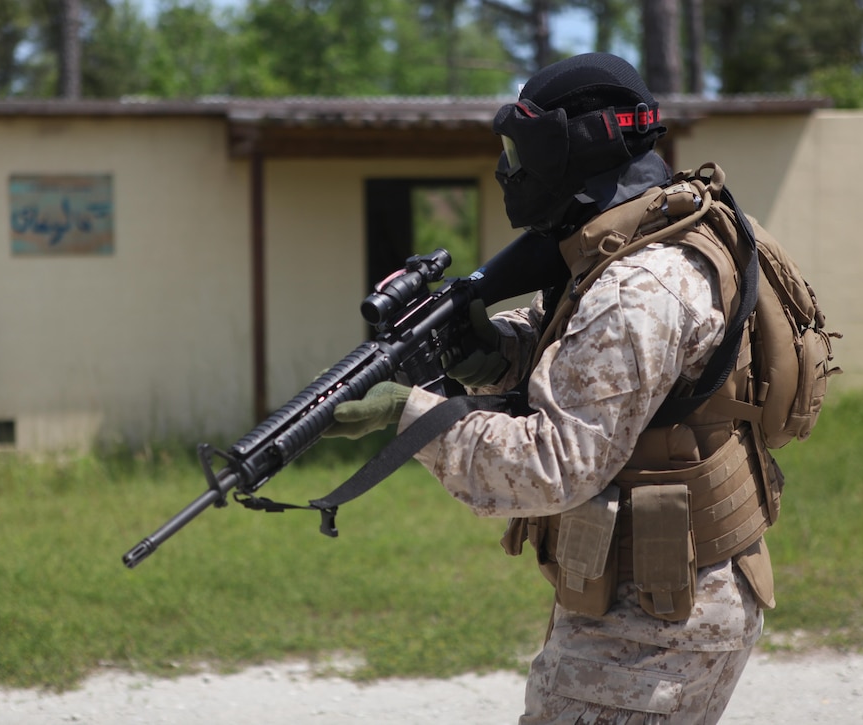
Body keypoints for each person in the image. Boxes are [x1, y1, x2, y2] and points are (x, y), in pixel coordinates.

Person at [325, 52, 781, 724]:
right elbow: (605, 372)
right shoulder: (653, 235)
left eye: (521, 150)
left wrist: (408, 415)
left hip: (654, 627)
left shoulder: (637, 287)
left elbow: (553, 464)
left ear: (574, 150)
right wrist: (498, 355)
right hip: (665, 595)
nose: (510, 170)